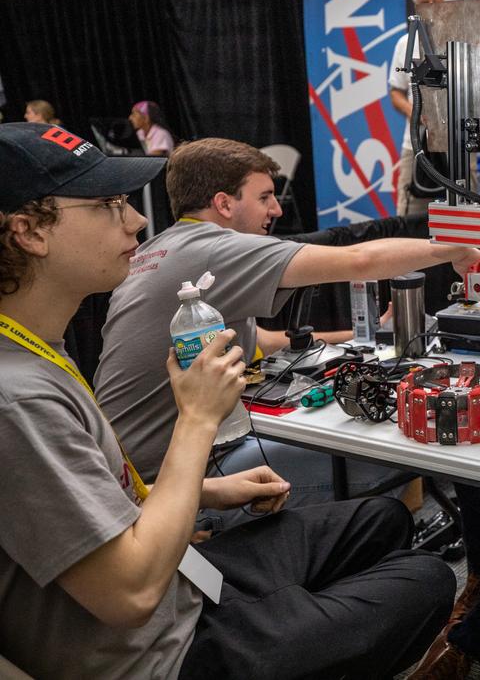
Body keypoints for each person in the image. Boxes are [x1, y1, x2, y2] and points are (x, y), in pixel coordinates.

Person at [0, 122, 454, 678]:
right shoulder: (16, 399)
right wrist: (197, 417)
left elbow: (86, 497)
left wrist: (209, 492)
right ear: (29, 231)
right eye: (108, 204)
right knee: (429, 578)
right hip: (160, 650)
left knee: (381, 519)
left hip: (183, 582)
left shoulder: (36, 348)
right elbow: (130, 593)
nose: (137, 219)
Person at [95, 137, 480, 507]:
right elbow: (358, 260)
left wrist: (363, 334)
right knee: (398, 457)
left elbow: (261, 338)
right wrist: (453, 248)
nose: (277, 209)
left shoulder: (162, 248)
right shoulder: (214, 248)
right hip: (172, 482)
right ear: (224, 203)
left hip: (131, 476)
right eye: (264, 197)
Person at [389, 0, 449, 216]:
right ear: (416, 6)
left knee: (466, 209)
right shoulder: (406, 43)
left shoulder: (465, 38)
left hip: (456, 143)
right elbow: (396, 93)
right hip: (415, 142)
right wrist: (416, 113)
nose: (431, 5)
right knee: (409, 213)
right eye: (426, 1)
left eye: (436, 1)